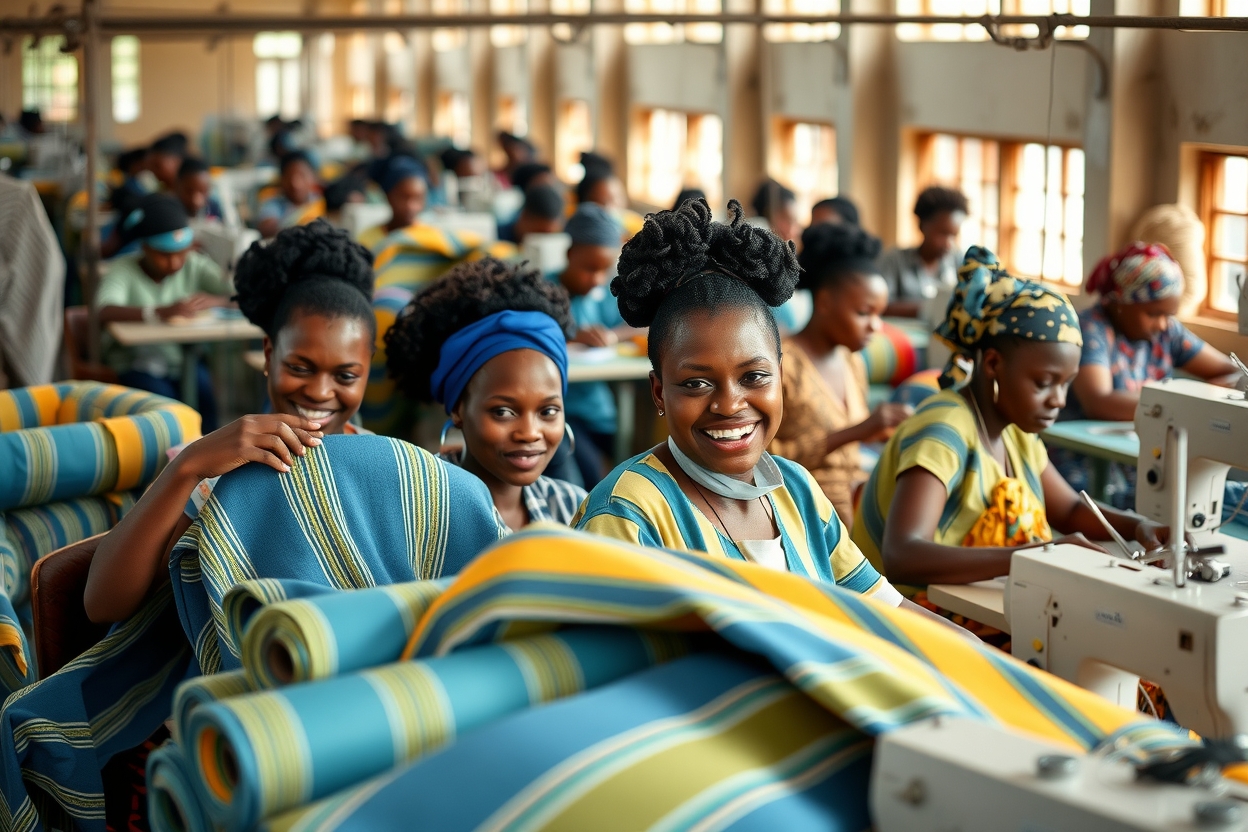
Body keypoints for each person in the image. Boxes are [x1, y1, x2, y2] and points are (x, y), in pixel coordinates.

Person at [574, 198, 909, 607]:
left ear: (781, 377)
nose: (730, 405)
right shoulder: (628, 515)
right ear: (659, 392)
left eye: (754, 377)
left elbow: (892, 611)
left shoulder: (798, 490)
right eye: (697, 383)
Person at [85, 219, 377, 625]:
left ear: (367, 372)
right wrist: (188, 466)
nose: (319, 392)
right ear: (268, 353)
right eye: (299, 367)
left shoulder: (380, 462)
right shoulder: (211, 470)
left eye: (345, 375)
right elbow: (103, 605)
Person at [852, 247, 1173, 598]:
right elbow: (903, 555)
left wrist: (1139, 525)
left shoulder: (1016, 431)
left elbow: (1068, 510)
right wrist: (1039, 554)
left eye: (1066, 383)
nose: (1059, 399)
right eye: (1044, 382)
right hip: (907, 617)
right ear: (992, 364)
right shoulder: (944, 431)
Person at [387, 258, 587, 530]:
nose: (529, 432)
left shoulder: (574, 509)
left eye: (548, 411)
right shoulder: (412, 512)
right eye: (503, 412)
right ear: (458, 408)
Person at [1054, 241, 1242, 505]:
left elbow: (1235, 373)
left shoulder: (1167, 331)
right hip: (1087, 465)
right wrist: (1184, 403)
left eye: (1170, 314)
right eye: (1153, 313)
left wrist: (1191, 401)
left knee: (1224, 497)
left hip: (1139, 457)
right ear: (1122, 301)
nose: (1163, 323)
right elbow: (1100, 402)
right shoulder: (1091, 330)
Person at [769, 222, 912, 526]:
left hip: (856, 492)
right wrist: (858, 431)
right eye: (863, 313)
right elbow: (763, 459)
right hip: (804, 504)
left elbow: (857, 447)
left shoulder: (853, 362)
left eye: (879, 314)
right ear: (823, 302)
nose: (876, 326)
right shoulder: (781, 366)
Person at [96, 194, 233, 429]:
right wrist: (159, 312)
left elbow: (240, 294)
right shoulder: (123, 270)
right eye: (164, 255)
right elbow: (105, 310)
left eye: (181, 253)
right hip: (134, 363)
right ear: (145, 247)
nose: (174, 263)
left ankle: (212, 461)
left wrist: (215, 300)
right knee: (166, 409)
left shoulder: (193, 263)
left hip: (180, 362)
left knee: (206, 398)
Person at [552, 203, 637, 485]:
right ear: (569, 255)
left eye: (603, 270)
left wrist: (612, 336)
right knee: (591, 479)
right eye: (589, 269)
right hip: (564, 413)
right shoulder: (543, 291)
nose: (596, 279)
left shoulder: (604, 292)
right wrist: (570, 334)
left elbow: (640, 323)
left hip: (600, 412)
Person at [876, 186, 967, 317]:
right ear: (922, 226)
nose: (948, 243)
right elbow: (880, 306)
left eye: (954, 235)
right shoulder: (894, 260)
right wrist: (931, 307)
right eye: (942, 234)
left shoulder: (959, 261)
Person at [357, 154, 430, 251]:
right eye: (403, 197)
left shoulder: (430, 239)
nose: (411, 206)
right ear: (388, 196)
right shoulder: (366, 240)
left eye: (418, 198)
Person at [257, 150, 324, 238]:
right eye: (289, 177)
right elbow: (266, 229)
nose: (295, 184)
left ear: (313, 177)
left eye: (302, 176)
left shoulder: (320, 201)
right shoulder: (273, 205)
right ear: (281, 179)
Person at [501, 183, 565, 244]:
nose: (543, 239)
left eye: (549, 234)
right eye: (540, 233)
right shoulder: (496, 239)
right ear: (524, 216)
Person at [174, 156, 224, 223]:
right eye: (189, 191)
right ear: (177, 186)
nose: (196, 200)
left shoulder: (214, 207)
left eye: (203, 191)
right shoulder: (169, 210)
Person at [750, 179, 800, 244]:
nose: (792, 231)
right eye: (784, 218)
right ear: (766, 213)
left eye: (794, 221)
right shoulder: (756, 231)